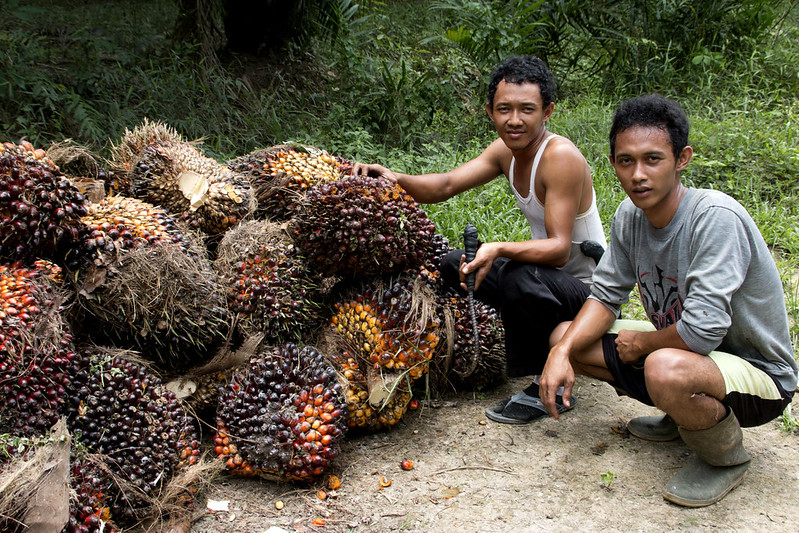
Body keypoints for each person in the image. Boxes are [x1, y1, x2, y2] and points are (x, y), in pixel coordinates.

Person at [538, 93, 798, 507]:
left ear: (682, 159)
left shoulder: (714, 218)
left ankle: (724, 458)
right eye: (626, 161)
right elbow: (605, 295)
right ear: (613, 165)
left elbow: (703, 331)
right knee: (564, 337)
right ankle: (683, 416)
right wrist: (563, 353)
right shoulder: (629, 215)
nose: (638, 174)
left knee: (664, 366)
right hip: (691, 357)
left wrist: (642, 344)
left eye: (653, 159)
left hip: (760, 374)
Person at [354, 55, 607, 424]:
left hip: (589, 292)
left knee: (518, 274)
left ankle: (545, 383)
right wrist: (393, 176)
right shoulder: (506, 151)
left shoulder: (560, 156)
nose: (514, 120)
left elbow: (556, 248)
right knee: (451, 264)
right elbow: (446, 185)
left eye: (527, 109)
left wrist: (500, 247)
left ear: (548, 111)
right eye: (504, 109)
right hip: (549, 280)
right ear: (490, 111)